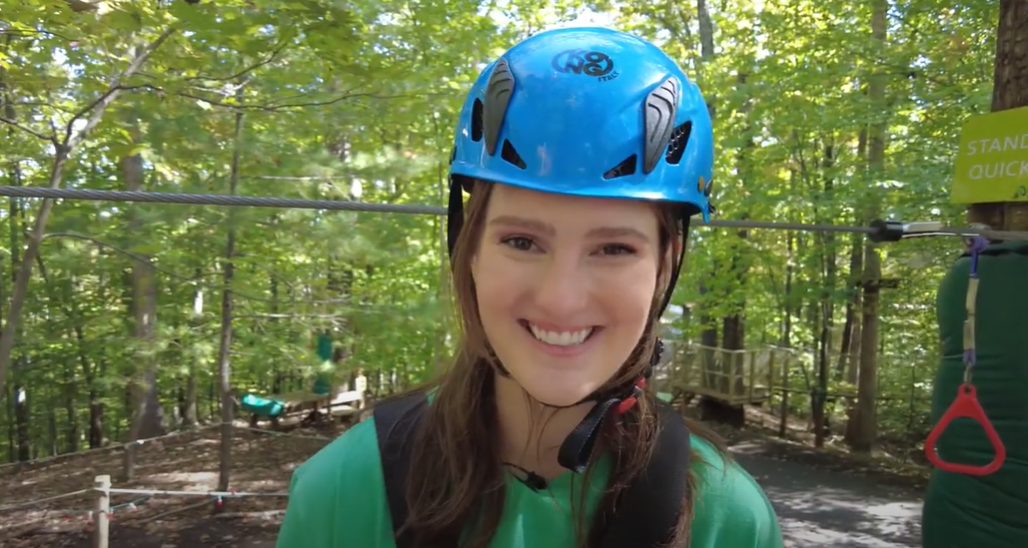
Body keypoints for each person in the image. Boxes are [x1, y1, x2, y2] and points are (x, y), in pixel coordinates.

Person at [275, 26, 784, 548]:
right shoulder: (346, 492)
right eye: (521, 241)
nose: (560, 299)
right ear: (469, 249)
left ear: (665, 265)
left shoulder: (727, 522)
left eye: (613, 249)